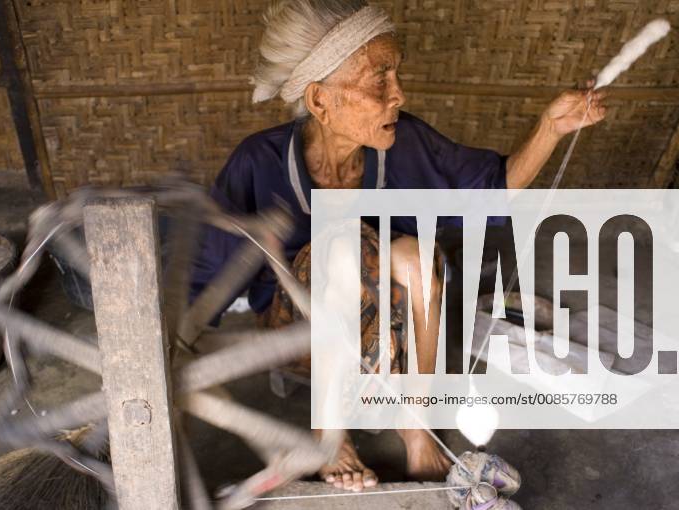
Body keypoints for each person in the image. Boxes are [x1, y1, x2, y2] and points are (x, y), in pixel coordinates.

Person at [190, 0, 606, 492]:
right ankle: (330, 436)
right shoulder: (259, 162)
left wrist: (550, 128)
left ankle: (416, 424)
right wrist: (175, 349)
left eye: (396, 75)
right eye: (378, 80)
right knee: (342, 247)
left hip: (390, 326)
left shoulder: (403, 142)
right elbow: (204, 270)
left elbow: (492, 186)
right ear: (320, 101)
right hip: (297, 331)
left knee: (413, 253)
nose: (398, 95)